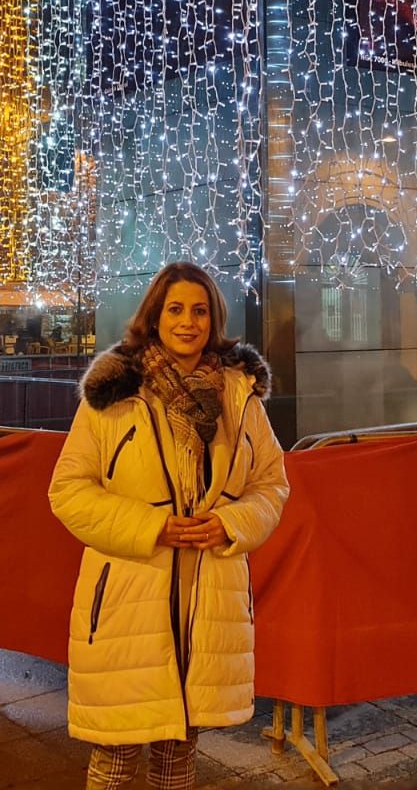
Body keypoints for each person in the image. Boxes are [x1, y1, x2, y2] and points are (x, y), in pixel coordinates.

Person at [48, 262, 289, 790]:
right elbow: (67, 490)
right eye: (175, 309)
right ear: (154, 316)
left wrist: (229, 523)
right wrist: (151, 526)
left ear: (214, 319)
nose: (188, 322)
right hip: (128, 602)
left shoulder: (238, 394)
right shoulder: (116, 393)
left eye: (199, 311)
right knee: (114, 759)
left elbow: (272, 484)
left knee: (178, 759)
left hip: (210, 604)